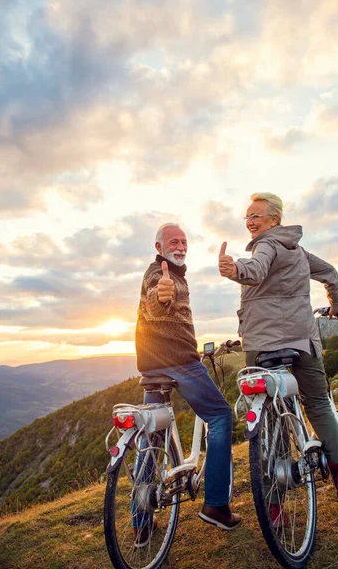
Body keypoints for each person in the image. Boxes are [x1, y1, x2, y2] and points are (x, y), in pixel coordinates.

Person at [218, 192, 338, 512]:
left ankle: (273, 502)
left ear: (274, 220)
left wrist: (234, 269)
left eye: (256, 216)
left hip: (263, 344)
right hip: (302, 340)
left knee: (268, 415)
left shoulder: (266, 244)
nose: (251, 222)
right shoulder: (298, 250)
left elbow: (254, 270)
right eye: (247, 218)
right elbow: (332, 276)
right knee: (319, 404)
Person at [134, 223, 241, 546]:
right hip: (179, 361)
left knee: (151, 437)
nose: (180, 246)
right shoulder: (161, 274)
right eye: (173, 242)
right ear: (158, 247)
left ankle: (141, 522)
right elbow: (158, 295)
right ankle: (216, 505)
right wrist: (160, 296)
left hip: (151, 364)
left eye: (183, 241)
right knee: (221, 417)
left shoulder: (173, 273)